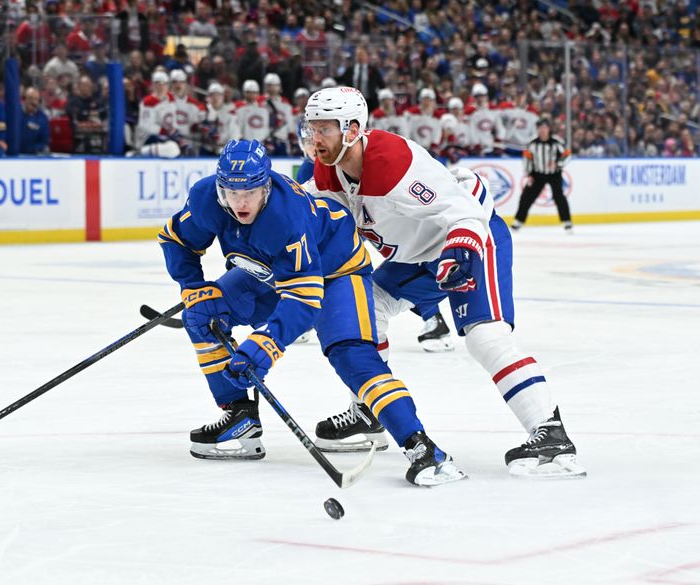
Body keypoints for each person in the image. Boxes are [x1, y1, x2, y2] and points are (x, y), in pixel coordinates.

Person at [303, 87, 585, 478]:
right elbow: (306, 225)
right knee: (364, 310)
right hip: (418, 255)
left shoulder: (393, 162)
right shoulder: (327, 172)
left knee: (484, 336)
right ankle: (369, 411)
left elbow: (465, 212)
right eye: (311, 128)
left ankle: (551, 433)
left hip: (470, 237)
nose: (315, 139)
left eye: (324, 129)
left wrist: (460, 250)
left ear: (352, 129)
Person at [157, 139, 467, 487]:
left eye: (252, 192)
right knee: (201, 316)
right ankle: (239, 419)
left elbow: (303, 300)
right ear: (219, 187)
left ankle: (421, 447)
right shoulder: (205, 199)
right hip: (267, 269)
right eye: (231, 192)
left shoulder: (286, 216)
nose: (241, 203)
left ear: (267, 185)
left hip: (337, 272)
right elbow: (176, 238)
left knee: (352, 355)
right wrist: (193, 285)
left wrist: (267, 343)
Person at [512, 118, 573, 232]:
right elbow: (527, 158)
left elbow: (567, 154)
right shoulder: (533, 143)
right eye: (540, 128)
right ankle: (518, 221)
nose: (542, 130)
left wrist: (558, 163)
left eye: (545, 127)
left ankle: (567, 222)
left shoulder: (556, 142)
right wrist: (529, 174)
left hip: (554, 174)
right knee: (526, 197)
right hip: (537, 174)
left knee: (559, 197)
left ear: (549, 129)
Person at [19, 87, 50, 155]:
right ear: (24, 99)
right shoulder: (16, 114)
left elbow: (44, 141)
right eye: (30, 98)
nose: (33, 102)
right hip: (14, 156)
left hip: (33, 157)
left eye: (36, 99)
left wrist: (33, 150)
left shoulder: (43, 118)